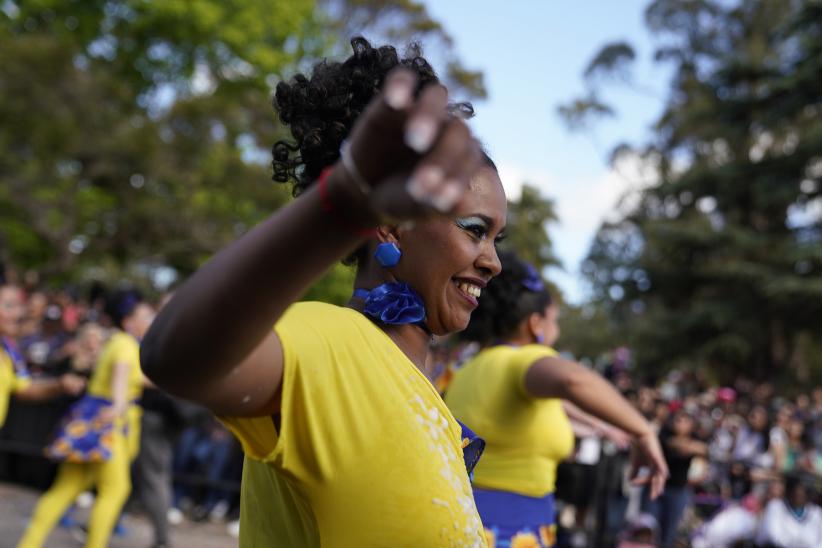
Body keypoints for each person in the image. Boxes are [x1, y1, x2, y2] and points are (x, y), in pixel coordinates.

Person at [140, 37, 506, 546]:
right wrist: (344, 202)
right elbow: (173, 358)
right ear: (391, 224)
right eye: (474, 229)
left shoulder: (428, 394)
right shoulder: (326, 341)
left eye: (497, 238)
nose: (493, 261)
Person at [444, 251, 668, 547]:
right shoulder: (524, 362)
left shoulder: (471, 368)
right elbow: (573, 380)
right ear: (535, 324)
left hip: (467, 519)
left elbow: (558, 406)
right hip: (509, 531)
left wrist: (610, 427)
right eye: (555, 321)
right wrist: (643, 429)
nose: (557, 330)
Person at [18, 291, 154, 548]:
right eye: (146, 315)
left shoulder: (117, 342)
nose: (151, 320)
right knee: (116, 489)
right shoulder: (126, 345)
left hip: (92, 422)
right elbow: (121, 375)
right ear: (128, 321)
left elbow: (139, 377)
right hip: (107, 426)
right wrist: (119, 404)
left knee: (66, 487)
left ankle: (29, 543)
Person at [1, 284, 85, 430]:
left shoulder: (8, 349)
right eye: (9, 306)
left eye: (21, 306)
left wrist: (59, 385)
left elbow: (23, 389)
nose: (19, 313)